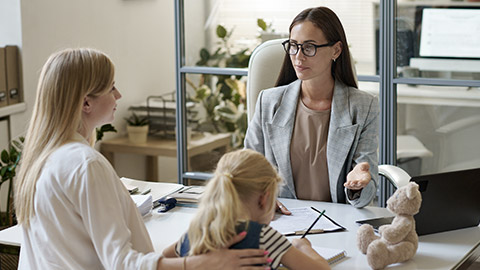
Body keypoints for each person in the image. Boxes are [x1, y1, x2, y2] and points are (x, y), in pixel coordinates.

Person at [15, 48, 269, 269]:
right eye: (111, 87)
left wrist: (182, 246)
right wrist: (199, 265)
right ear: (86, 103)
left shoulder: (44, 158)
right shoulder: (85, 164)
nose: (119, 96)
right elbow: (121, 263)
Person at [244, 6, 379, 211]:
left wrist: (358, 186)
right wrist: (261, 200)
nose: (298, 56)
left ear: (336, 50)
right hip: (281, 219)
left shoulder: (363, 107)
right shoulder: (268, 102)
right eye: (293, 46)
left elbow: (364, 197)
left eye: (309, 47)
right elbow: (247, 169)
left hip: (338, 222)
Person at [163, 149, 331, 270]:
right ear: (264, 199)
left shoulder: (197, 230)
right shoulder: (263, 237)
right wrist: (303, 247)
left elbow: (164, 257)